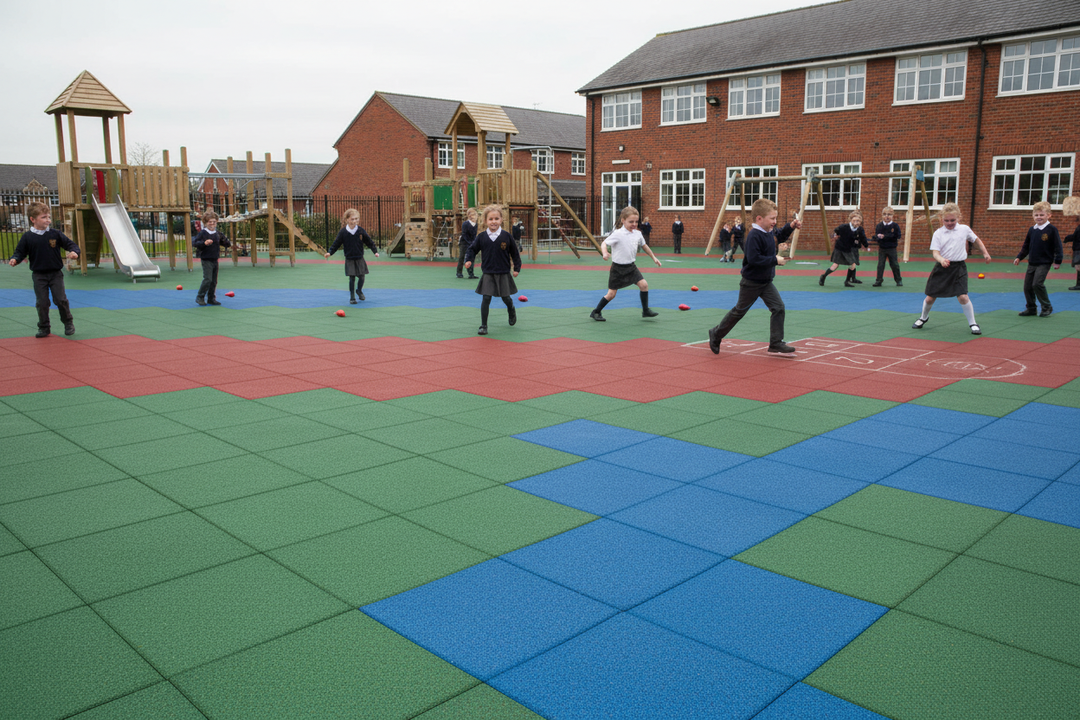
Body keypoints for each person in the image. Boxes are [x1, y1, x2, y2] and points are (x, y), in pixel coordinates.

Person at [708, 198, 801, 355]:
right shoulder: (754, 236)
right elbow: (754, 259)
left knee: (778, 308)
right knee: (739, 311)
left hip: (765, 282)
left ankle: (775, 343)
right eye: (772, 218)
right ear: (759, 219)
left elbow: (780, 235)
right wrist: (775, 260)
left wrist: (791, 226)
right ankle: (716, 333)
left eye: (775, 218)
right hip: (751, 283)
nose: (774, 221)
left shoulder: (769, 231)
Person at [912, 202, 991, 335]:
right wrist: (941, 260)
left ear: (959, 217)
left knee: (963, 297)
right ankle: (923, 318)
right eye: (946, 220)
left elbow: (976, 240)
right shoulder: (938, 233)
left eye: (952, 220)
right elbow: (935, 253)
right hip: (942, 268)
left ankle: (973, 323)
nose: (949, 223)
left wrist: (985, 253)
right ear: (941, 219)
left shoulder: (964, 229)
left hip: (959, 267)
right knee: (930, 298)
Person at [8, 201, 79, 338]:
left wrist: (75, 252)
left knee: (60, 300)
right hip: (39, 275)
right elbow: (19, 252)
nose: (48, 220)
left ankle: (68, 322)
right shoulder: (27, 237)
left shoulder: (55, 234)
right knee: (42, 302)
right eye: (44, 217)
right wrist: (15, 259)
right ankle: (44, 327)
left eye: (48, 217)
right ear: (33, 219)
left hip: (55, 274)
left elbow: (71, 245)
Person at [590, 206, 662, 322]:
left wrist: (654, 258)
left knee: (644, 285)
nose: (634, 224)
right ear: (623, 221)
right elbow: (604, 243)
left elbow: (645, 246)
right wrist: (604, 253)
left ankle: (645, 310)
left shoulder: (637, 234)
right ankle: (596, 312)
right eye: (631, 222)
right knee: (611, 294)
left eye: (636, 222)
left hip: (631, 267)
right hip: (617, 268)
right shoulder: (618, 234)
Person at [464, 205, 521, 335]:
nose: (493, 221)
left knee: (506, 297)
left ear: (501, 220)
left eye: (496, 218)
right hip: (488, 272)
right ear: (485, 221)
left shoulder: (506, 236)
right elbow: (472, 249)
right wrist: (469, 260)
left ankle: (511, 309)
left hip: (503, 272)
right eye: (490, 219)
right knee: (486, 298)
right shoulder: (482, 237)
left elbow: (515, 253)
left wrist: (516, 268)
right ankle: (483, 325)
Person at [1013, 200, 1062, 317]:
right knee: (1027, 286)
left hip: (1044, 262)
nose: (1039, 217)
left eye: (1042, 215)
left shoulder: (1051, 229)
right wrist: (1019, 257)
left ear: (1048, 215)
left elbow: (1058, 246)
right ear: (1033, 216)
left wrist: (1058, 261)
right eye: (1036, 215)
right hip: (1032, 262)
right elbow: (1026, 246)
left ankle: (1046, 306)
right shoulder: (1032, 230)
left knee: (1037, 284)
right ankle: (1031, 308)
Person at [325, 208, 379, 304]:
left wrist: (375, 251)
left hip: (359, 257)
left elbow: (369, 242)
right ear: (347, 220)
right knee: (352, 278)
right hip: (349, 258)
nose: (354, 221)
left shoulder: (361, 231)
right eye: (352, 219)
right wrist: (330, 252)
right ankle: (352, 297)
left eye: (356, 219)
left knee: (362, 276)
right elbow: (336, 244)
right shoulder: (343, 232)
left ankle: (359, 290)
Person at [820, 210, 868, 287]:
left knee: (853, 264)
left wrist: (866, 245)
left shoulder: (860, 229)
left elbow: (863, 238)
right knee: (835, 265)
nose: (857, 222)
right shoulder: (844, 227)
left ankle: (847, 281)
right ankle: (823, 276)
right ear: (851, 220)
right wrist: (835, 236)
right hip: (840, 248)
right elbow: (836, 231)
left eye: (858, 221)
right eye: (855, 220)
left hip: (849, 249)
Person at [193, 209, 230, 306]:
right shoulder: (203, 233)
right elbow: (195, 243)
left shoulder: (217, 234)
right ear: (205, 223)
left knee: (214, 281)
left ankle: (211, 298)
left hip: (215, 258)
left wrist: (226, 242)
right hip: (206, 259)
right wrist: (204, 243)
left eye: (214, 222)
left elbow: (226, 243)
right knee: (208, 279)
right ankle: (200, 296)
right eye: (210, 222)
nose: (212, 224)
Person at [872, 206, 903, 287]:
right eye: (885, 214)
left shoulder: (895, 226)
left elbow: (897, 236)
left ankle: (898, 280)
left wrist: (885, 236)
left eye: (889, 214)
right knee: (880, 264)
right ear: (882, 215)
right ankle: (879, 280)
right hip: (882, 248)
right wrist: (877, 237)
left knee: (894, 264)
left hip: (891, 248)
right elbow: (876, 236)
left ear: (892, 216)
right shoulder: (879, 225)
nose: (887, 216)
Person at [456, 208, 478, 279]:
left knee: (471, 258)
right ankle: (459, 273)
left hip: (471, 243)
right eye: (471, 214)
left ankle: (471, 274)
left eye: (474, 214)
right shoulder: (465, 224)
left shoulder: (476, 224)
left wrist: (474, 243)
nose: (473, 216)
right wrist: (470, 242)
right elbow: (464, 234)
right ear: (468, 215)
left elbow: (474, 235)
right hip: (464, 243)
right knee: (462, 257)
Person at [1067, 216, 1080, 290]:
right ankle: (1078, 284)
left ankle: (1078, 284)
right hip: (1077, 249)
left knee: (1078, 266)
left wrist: (1068, 238)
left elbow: (1075, 237)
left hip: (1078, 250)